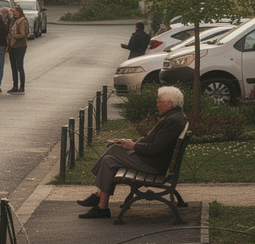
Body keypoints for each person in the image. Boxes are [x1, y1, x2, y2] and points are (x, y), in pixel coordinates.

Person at [78, 85, 188, 219]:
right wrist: (132, 142)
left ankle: (99, 197)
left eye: (159, 101)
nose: (157, 104)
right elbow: (152, 141)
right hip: (152, 161)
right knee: (109, 160)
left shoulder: (171, 120)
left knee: (113, 149)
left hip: (153, 164)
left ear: (169, 103)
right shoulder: (173, 117)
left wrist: (133, 146)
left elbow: (155, 149)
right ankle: (101, 205)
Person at [7, 9, 29, 94]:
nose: (15, 13)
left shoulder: (22, 21)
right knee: (13, 67)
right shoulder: (14, 21)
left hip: (19, 46)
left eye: (16, 12)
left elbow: (23, 34)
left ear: (19, 12)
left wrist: (14, 35)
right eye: (14, 12)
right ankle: (15, 86)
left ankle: (22, 86)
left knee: (20, 67)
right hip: (12, 45)